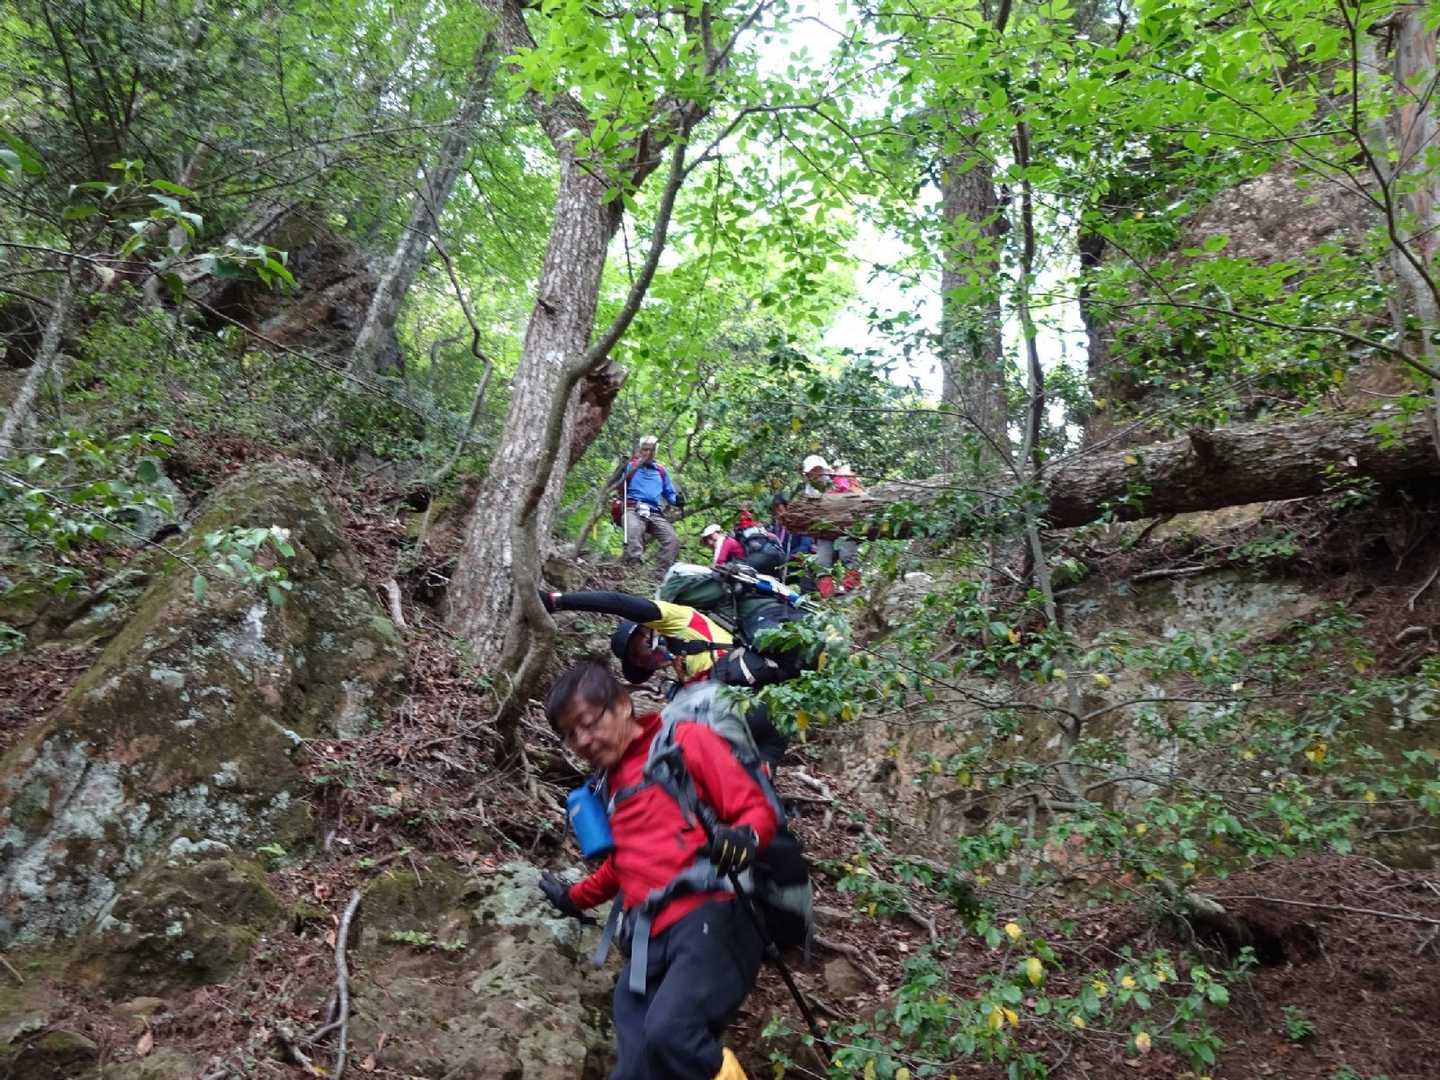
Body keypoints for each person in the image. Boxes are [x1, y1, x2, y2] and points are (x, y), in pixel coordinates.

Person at [538, 660, 773, 1080]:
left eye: (588, 723)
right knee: (635, 1067)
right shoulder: (608, 786)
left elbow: (754, 807)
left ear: (622, 705)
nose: (582, 741)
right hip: (648, 937)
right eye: (570, 734)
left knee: (671, 1033)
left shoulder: (684, 741)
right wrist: (573, 898)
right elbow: (624, 864)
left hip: (710, 915)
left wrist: (744, 838)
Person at [538, 587, 787, 764]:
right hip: (757, 721)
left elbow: (617, 602)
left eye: (639, 651)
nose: (646, 660)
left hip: (750, 698)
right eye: (640, 662)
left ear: (646, 630)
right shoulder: (683, 671)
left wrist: (558, 601)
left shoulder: (677, 619)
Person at [608, 436, 683, 574]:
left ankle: (659, 574)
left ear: (656, 452)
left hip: (654, 512)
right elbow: (613, 485)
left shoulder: (661, 471)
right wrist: (620, 469)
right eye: (645, 449)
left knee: (672, 540)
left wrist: (677, 500)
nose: (648, 453)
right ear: (640, 450)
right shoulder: (630, 466)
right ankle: (633, 569)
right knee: (633, 532)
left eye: (652, 450)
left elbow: (669, 494)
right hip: (632, 508)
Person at [800, 455, 862, 597]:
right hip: (826, 531)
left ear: (824, 470)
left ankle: (852, 592)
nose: (816, 475)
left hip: (846, 527)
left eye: (818, 470)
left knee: (847, 556)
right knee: (822, 562)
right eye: (812, 472)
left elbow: (856, 500)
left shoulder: (840, 480)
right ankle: (827, 597)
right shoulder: (810, 492)